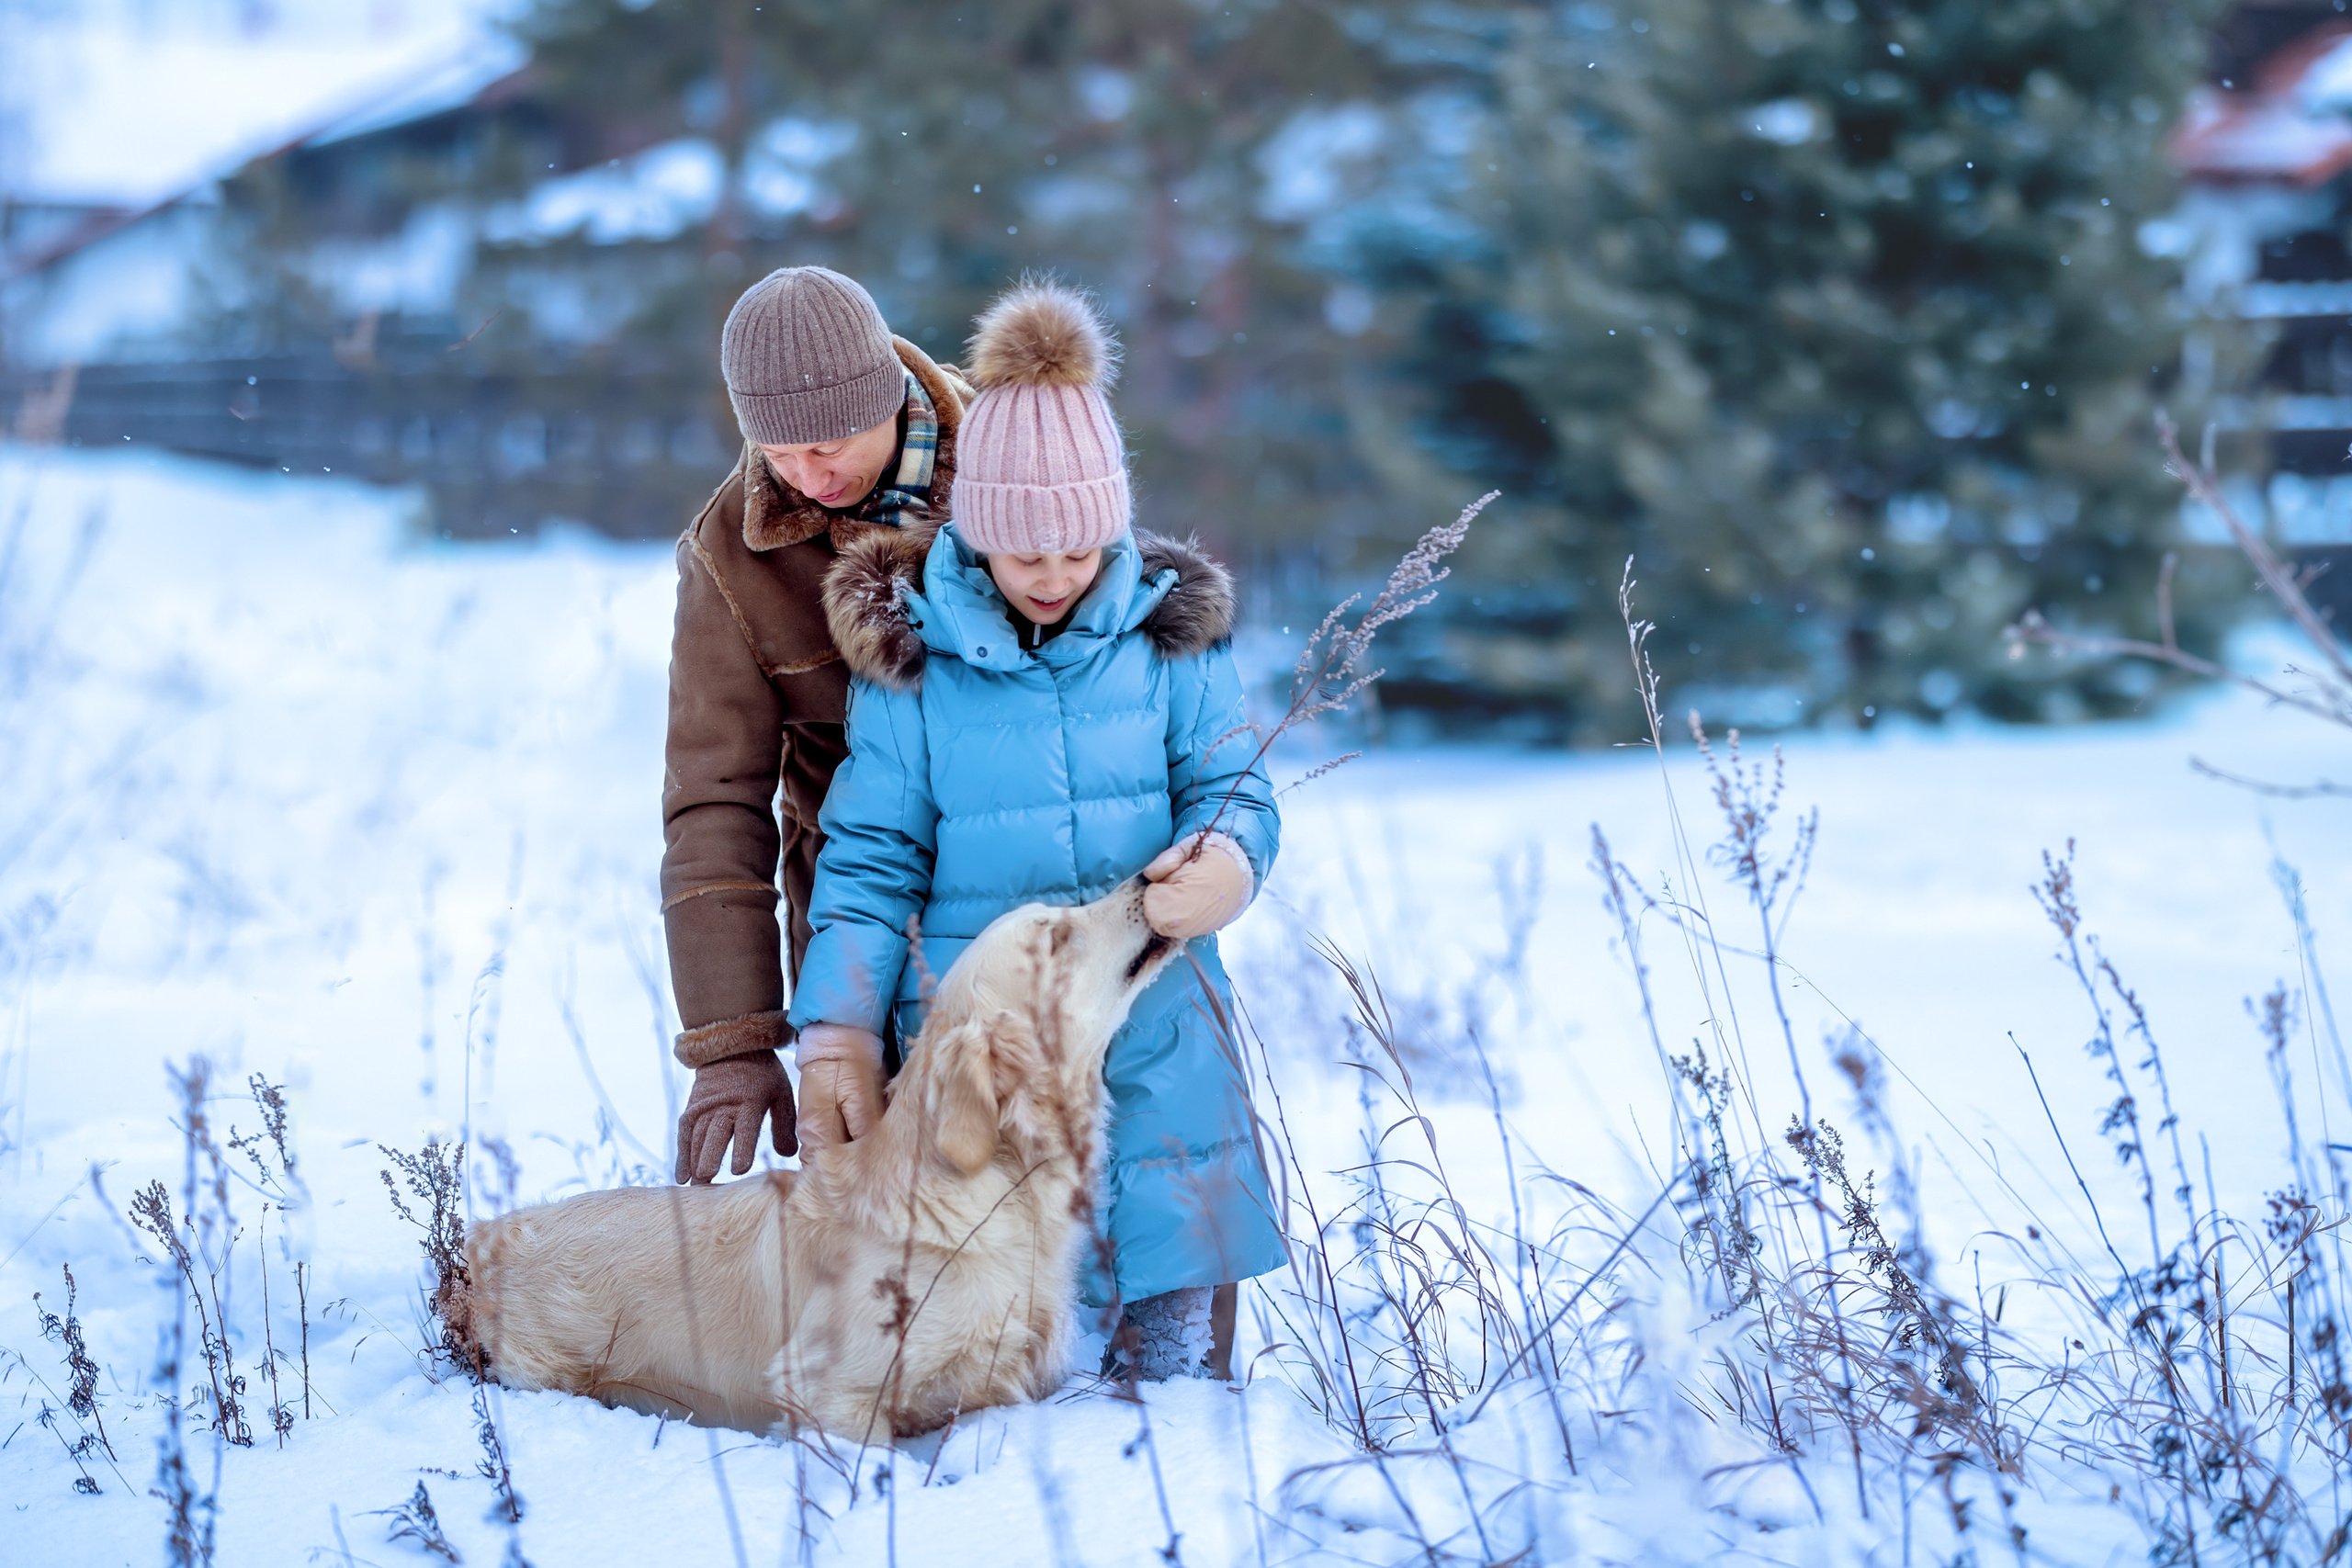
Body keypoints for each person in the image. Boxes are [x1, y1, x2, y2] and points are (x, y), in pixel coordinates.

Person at [788, 278, 1285, 1380]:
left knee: (1169, 1350)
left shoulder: (1170, 644)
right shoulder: (915, 667)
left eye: (1079, 551)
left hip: (1157, 1025)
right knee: (992, 1342)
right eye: (1027, 555)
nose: (1055, 576)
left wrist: (1231, 860)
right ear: (980, 533)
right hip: (980, 1041)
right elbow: (870, 862)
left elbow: (1231, 785)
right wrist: (839, 1028)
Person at [664, 265, 974, 1186]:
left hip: (1045, 889)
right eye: (778, 451)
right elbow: (712, 798)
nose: (806, 475)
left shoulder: (1025, 455)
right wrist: (735, 1036)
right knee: (901, 1232)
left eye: (831, 442)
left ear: (887, 392)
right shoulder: (730, 556)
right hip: (860, 933)